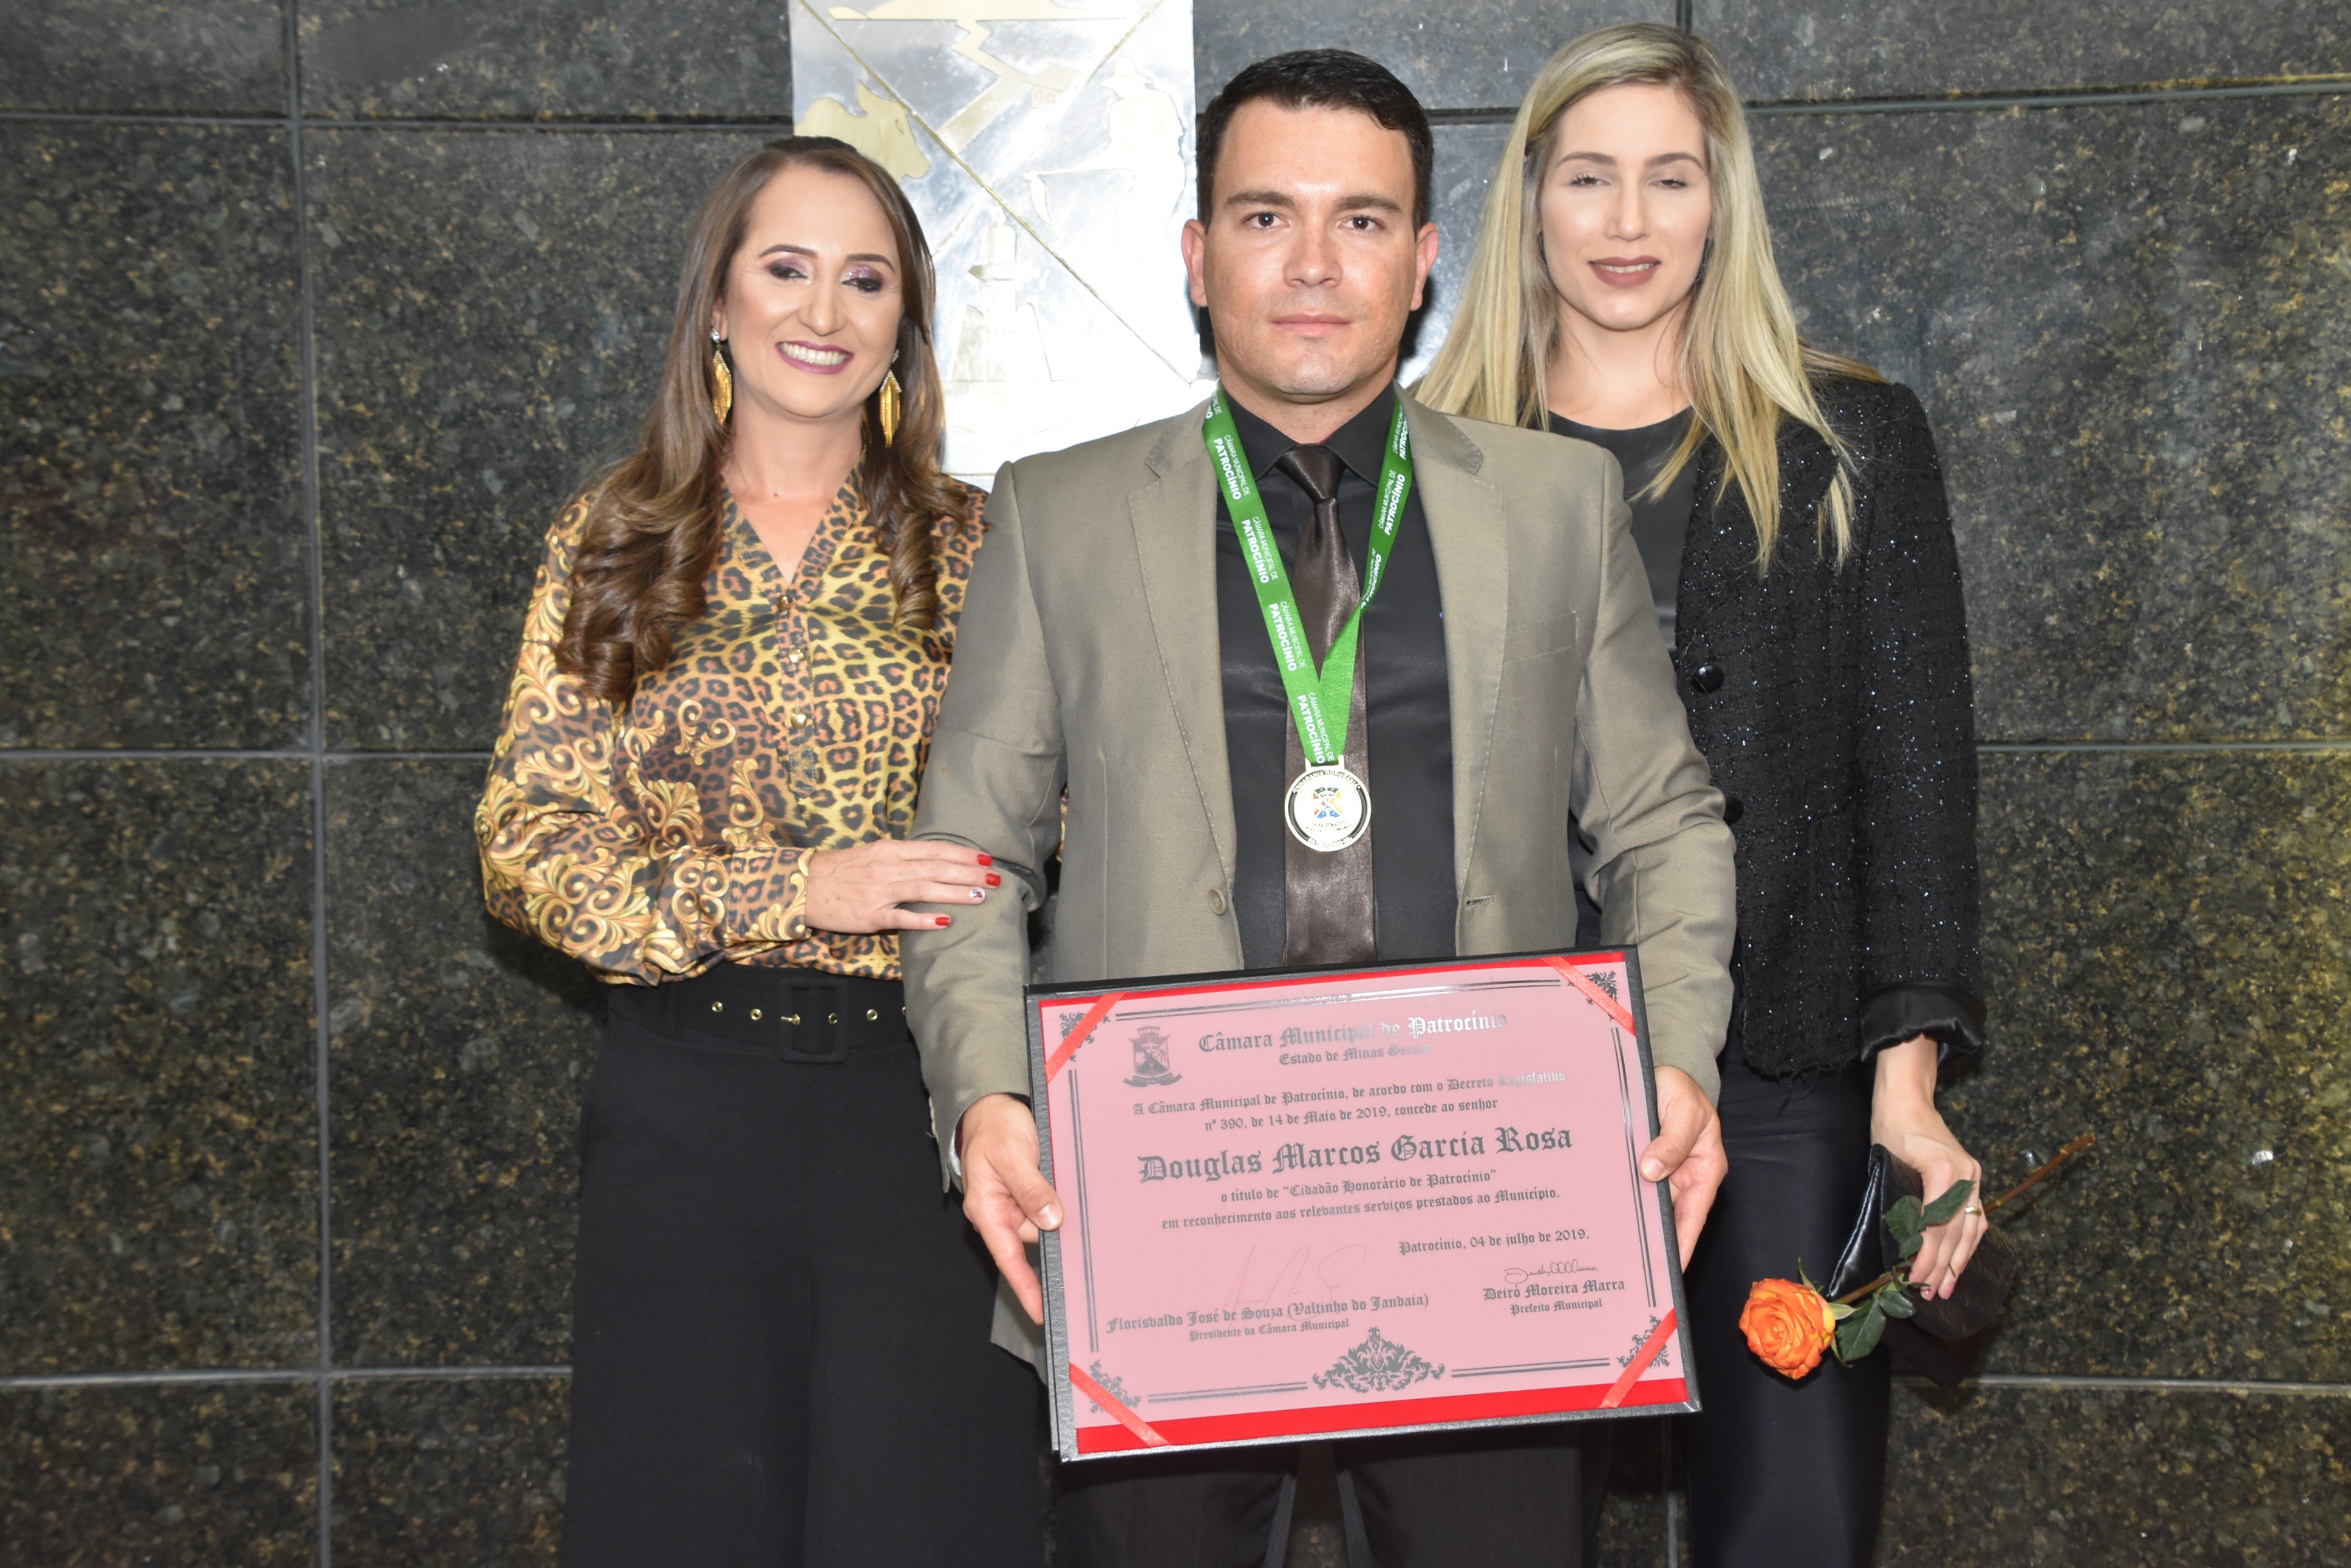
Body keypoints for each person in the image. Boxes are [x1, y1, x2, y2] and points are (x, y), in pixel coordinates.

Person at [902, 50, 1737, 1568]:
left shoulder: (1554, 503)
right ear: (1195, 253)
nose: (1309, 263)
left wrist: (1674, 1058)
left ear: (1423, 262)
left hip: (1490, 1210)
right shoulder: (1057, 512)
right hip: (1163, 1218)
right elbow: (972, 851)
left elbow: (1661, 817)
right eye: (1264, 216)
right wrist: (985, 1097)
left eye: (1360, 220)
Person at [1420, 24, 1989, 1567]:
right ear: (1527, 198)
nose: (1626, 222)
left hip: (1781, 1059)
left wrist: (1906, 1083)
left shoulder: (1848, 441)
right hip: (1495, 1074)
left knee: (1795, 1521)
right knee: (1490, 1524)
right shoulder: (1425, 457)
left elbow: (1915, 783)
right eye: (1588, 177)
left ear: (1720, 201)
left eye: (1668, 179)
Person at [473, 137, 1039, 1567]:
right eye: (787, 268)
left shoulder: (981, 547)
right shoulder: (613, 536)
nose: (823, 310)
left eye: (866, 279)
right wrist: (797, 887)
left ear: (904, 323)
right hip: (687, 1103)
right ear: (718, 300)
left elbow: (1057, 828)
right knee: (685, 1515)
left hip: (921, 1109)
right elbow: (527, 846)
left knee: (926, 1517)